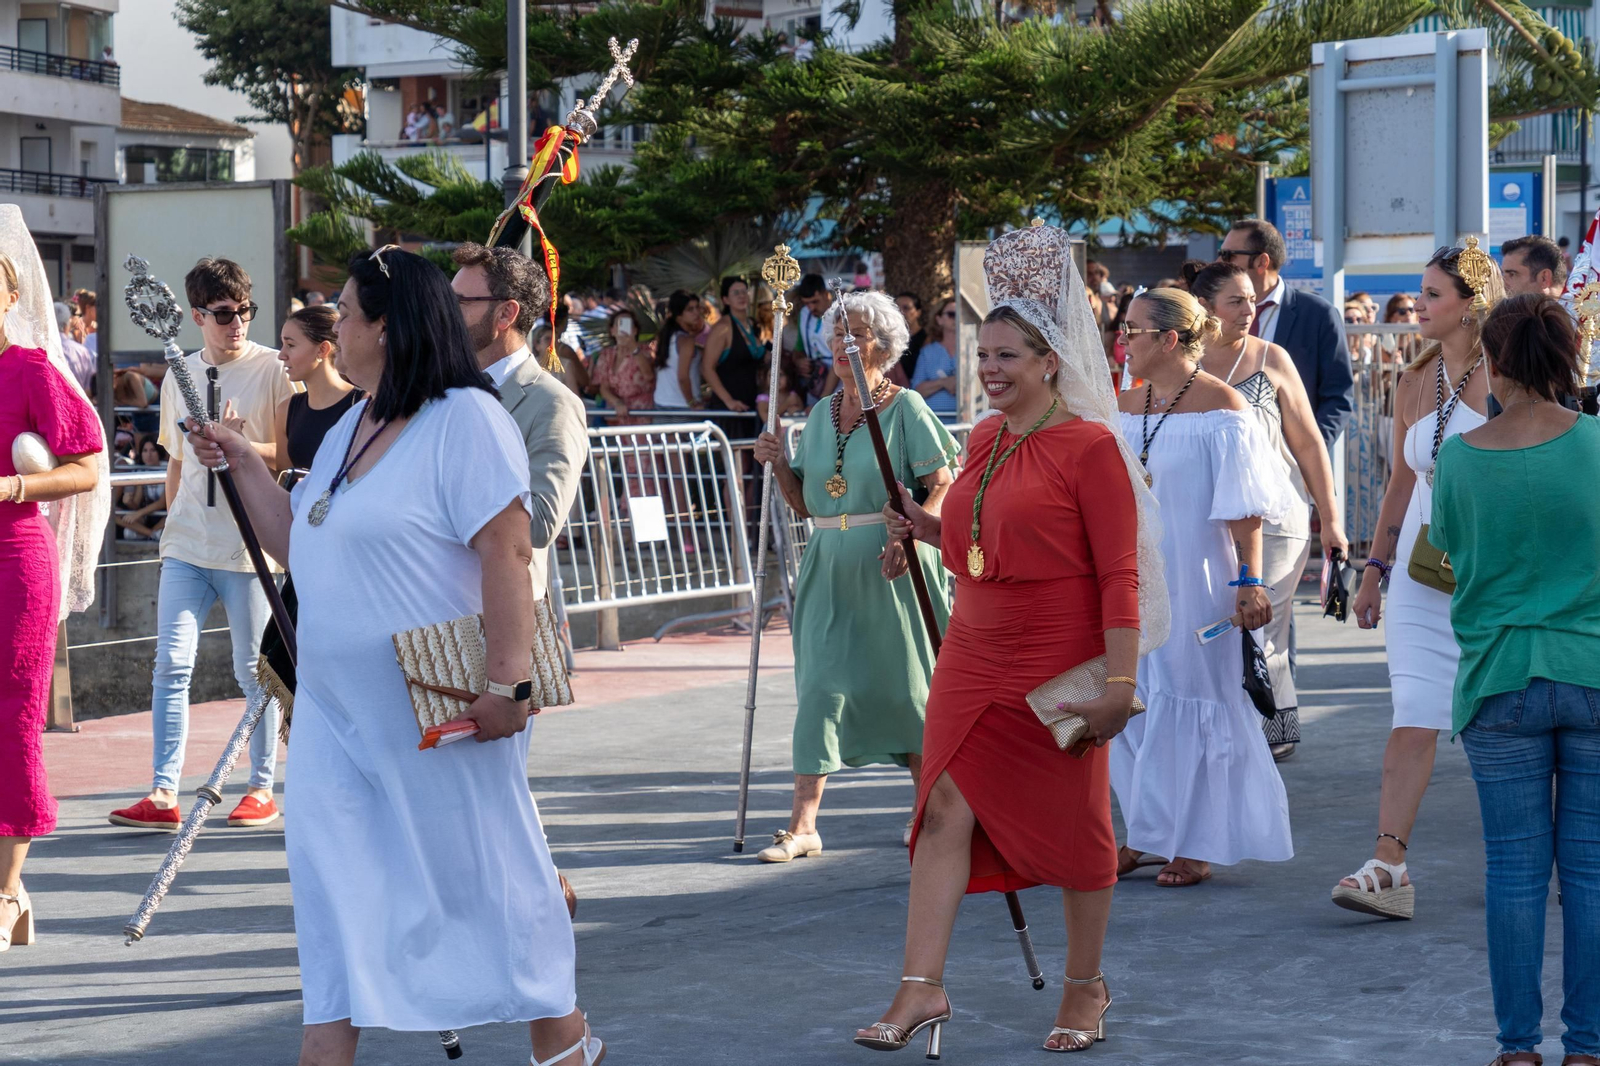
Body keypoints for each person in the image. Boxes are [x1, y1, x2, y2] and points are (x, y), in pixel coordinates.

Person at [184, 245, 602, 1066]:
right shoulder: (353, 421)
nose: (333, 327)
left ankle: (563, 1038)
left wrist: (508, 683)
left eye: (344, 312)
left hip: (438, 702)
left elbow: (508, 551)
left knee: (483, 875)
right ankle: (325, 1046)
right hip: (336, 711)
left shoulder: (467, 417)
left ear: (388, 324)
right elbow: (299, 542)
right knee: (329, 879)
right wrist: (240, 464)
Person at [859, 222, 1168, 1055]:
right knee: (944, 807)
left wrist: (1121, 682)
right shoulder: (985, 438)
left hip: (1062, 659)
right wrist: (923, 529)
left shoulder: (1090, 447)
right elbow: (979, 548)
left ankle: (1084, 986)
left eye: (1007, 357)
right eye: (982, 353)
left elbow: (1118, 575)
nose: (989, 369)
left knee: (1074, 828)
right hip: (973, 649)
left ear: (1050, 362)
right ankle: (921, 986)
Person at [1429, 294, 1600, 1066]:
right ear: (1567, 361)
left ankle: (1517, 1046)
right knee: (1591, 871)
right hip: (1592, 670)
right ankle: (1590, 1045)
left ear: (1493, 364)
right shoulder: (1598, 444)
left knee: (1515, 870)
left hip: (1499, 678)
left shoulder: (1460, 456)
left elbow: (1453, 559)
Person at [749, 290, 958, 863]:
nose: (843, 343)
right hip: (829, 564)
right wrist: (777, 464)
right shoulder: (819, 414)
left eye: (856, 333)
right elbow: (805, 504)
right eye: (836, 332)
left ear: (883, 346)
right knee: (819, 689)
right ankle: (803, 825)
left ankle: (933, 811)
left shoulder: (907, 407)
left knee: (909, 690)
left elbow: (941, 483)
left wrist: (909, 533)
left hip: (893, 565)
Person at [1334, 241, 1506, 921]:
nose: (1420, 306)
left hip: (1493, 574)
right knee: (1412, 718)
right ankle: (1388, 866)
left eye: (1434, 295)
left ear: (1472, 307)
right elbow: (1400, 485)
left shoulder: (1508, 377)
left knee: (1505, 721)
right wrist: (1373, 571)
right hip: (1418, 574)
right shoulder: (1414, 379)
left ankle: (1536, 855)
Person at [1111, 287, 1297, 888]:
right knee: (1132, 698)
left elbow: (1244, 509)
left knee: (1192, 694)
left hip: (1199, 575)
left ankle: (1194, 841)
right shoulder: (1123, 403)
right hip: (1130, 572)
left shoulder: (1223, 408)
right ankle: (1147, 830)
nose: (1124, 340)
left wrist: (1249, 580)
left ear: (1168, 339)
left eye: (1134, 330)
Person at [108, 258, 294, 832]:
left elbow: (288, 457)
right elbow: (177, 461)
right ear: (196, 315)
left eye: (244, 311)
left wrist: (243, 444)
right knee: (171, 665)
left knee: (252, 670)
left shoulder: (272, 371)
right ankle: (164, 792)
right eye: (223, 313)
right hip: (187, 543)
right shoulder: (176, 373)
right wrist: (168, 524)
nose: (236, 322)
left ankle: (261, 787)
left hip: (248, 547)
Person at [1191, 261, 1350, 760]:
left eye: (1251, 299)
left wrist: (1333, 520)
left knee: (1262, 624)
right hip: (1203, 522)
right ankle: (1225, 730)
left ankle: (1270, 737)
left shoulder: (1270, 358)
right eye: (1235, 301)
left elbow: (1307, 444)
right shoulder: (1177, 364)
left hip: (1277, 519)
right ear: (1203, 308)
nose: (1249, 309)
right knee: (1212, 627)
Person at [0, 234, 109, 953]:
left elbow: (87, 467)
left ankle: (7, 889)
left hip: (14, 560)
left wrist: (13, 485)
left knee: (12, 715)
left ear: (10, 296)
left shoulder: (32, 370)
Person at [449, 241, 589, 609]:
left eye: (460, 303)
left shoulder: (553, 404)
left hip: (499, 613)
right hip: (433, 605)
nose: (445, 314)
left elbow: (540, 523)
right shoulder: (441, 390)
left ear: (506, 314)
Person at [1218, 219, 1354, 448]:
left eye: (1228, 255)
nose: (1219, 262)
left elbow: (1337, 396)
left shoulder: (1317, 314)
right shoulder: (1211, 311)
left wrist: (1307, 457)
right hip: (1225, 453)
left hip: (1287, 464)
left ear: (1262, 261)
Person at [273, 305, 359, 473]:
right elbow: (285, 480)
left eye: (290, 345)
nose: (281, 355)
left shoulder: (363, 405)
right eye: (282, 344)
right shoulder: (287, 410)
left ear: (322, 349)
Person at [701, 276, 767, 418]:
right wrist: (729, 400)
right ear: (725, 300)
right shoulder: (722, 328)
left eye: (744, 291)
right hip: (730, 407)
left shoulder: (752, 325)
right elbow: (706, 368)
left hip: (752, 403)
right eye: (736, 293)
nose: (741, 296)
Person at [590, 307, 656, 424]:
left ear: (635, 330)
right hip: (616, 415)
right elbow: (603, 387)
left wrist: (633, 348)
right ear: (612, 331)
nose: (623, 328)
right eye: (619, 324)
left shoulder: (645, 351)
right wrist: (617, 402)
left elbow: (649, 376)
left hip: (641, 414)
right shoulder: (607, 354)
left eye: (627, 324)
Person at [652, 290, 706, 410]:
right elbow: (682, 377)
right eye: (690, 310)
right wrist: (692, 402)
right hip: (683, 406)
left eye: (697, 308)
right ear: (678, 313)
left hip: (661, 403)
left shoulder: (666, 336)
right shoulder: (687, 341)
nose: (696, 313)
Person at [910, 297, 958, 415]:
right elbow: (916, 391)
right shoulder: (927, 352)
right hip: (935, 421)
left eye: (961, 314)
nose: (957, 318)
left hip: (969, 422)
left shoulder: (974, 350)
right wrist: (943, 382)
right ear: (939, 319)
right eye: (952, 314)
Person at [115, 435, 169, 541]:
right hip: (146, 515)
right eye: (145, 451)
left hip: (164, 515)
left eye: (152, 450)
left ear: (159, 452)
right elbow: (136, 506)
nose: (148, 455)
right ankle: (152, 534)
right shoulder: (139, 471)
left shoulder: (167, 469)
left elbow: (162, 503)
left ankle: (149, 533)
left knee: (174, 513)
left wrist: (138, 513)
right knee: (116, 515)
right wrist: (129, 502)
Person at [794, 273, 837, 401]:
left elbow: (842, 356)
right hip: (815, 383)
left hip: (839, 383)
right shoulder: (804, 314)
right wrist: (799, 362)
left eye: (815, 302)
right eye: (807, 303)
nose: (811, 307)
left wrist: (824, 398)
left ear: (826, 294)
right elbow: (798, 349)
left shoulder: (840, 313)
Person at [1500, 234, 1569, 298]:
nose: (1502, 284)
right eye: (1503, 274)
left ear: (1544, 278)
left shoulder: (1575, 309)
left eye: (1512, 274)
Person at [54, 301, 94, 391]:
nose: (81, 318)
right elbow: (89, 386)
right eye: (79, 315)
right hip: (78, 401)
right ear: (67, 324)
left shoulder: (37, 350)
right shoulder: (81, 351)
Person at [894, 292, 927, 381]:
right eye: (896, 307)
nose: (900, 311)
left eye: (906, 308)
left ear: (918, 312)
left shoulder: (926, 339)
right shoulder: (890, 338)